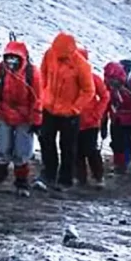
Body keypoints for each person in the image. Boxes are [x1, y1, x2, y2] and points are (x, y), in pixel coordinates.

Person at [38, 32, 95, 191]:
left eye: (61, 54)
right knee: (46, 141)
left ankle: (66, 179)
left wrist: (75, 108)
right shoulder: (50, 54)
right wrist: (44, 94)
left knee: (68, 146)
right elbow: (42, 73)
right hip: (49, 108)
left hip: (69, 114)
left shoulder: (82, 65)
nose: (58, 56)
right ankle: (48, 173)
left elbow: (88, 91)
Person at [0, 38, 41, 196]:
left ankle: (21, 183)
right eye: (8, 58)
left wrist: (37, 121)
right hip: (4, 113)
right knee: (3, 148)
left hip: (25, 117)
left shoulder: (32, 73)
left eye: (15, 58)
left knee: (22, 151)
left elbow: (38, 98)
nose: (11, 62)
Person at [74, 49, 111, 188]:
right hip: (73, 120)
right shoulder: (68, 77)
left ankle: (98, 177)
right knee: (76, 151)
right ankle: (81, 178)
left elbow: (105, 96)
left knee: (90, 150)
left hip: (90, 122)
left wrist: (97, 114)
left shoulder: (93, 78)